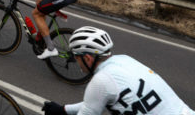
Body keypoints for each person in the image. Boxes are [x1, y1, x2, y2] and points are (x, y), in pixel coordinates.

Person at [42, 26, 194, 115]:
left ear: (87, 58)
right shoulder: (125, 60)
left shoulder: (101, 80)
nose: (76, 61)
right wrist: (63, 110)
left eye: (76, 57)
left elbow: (92, 105)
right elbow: (95, 102)